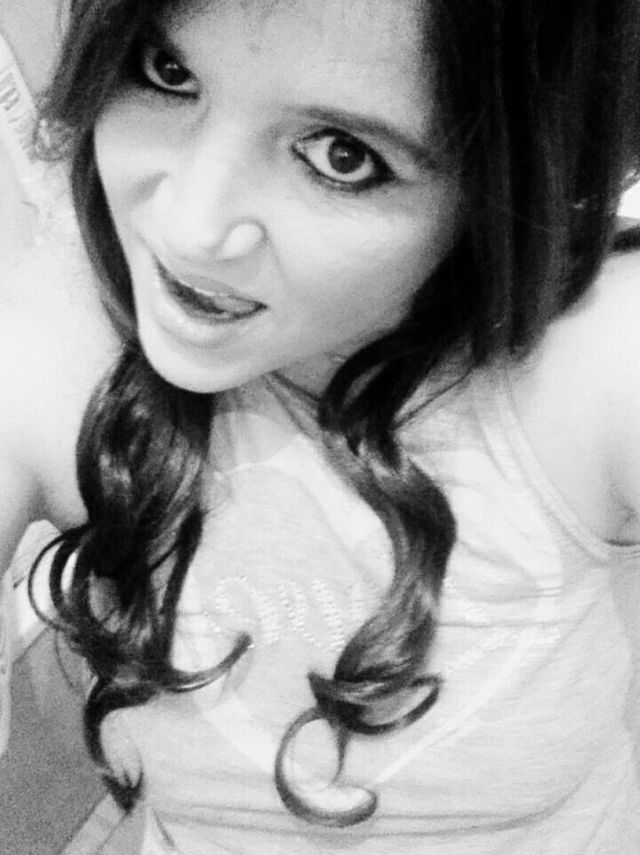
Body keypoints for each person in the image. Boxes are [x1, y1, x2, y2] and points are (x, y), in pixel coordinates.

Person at [1, 0, 640, 851]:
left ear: (507, 179)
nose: (192, 230)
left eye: (342, 155)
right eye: (167, 73)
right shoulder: (58, 346)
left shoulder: (592, 353)